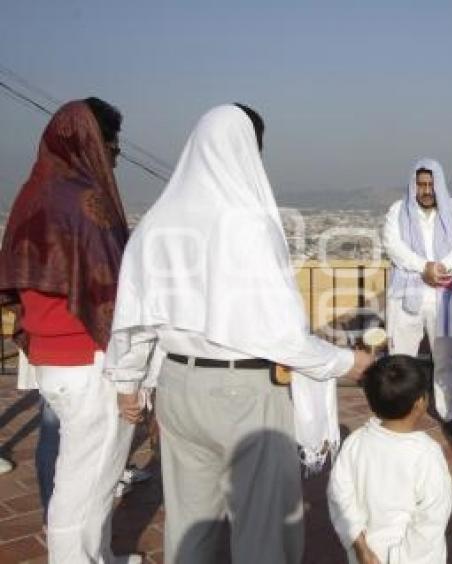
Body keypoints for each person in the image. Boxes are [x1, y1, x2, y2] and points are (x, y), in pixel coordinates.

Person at [105, 104, 372, 564]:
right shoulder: (247, 223)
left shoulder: (157, 221)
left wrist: (128, 383)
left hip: (177, 384)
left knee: (190, 523)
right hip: (243, 390)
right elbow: (281, 335)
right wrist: (349, 362)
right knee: (264, 526)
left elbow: (134, 317)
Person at [0, 98, 141, 563]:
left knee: (88, 476)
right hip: (88, 360)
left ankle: (96, 555)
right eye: (110, 142)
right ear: (91, 142)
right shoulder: (85, 201)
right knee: (84, 484)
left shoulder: (32, 194)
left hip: (49, 357)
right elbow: (111, 290)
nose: (115, 154)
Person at [327, 354, 452, 563]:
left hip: (365, 555)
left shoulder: (355, 443)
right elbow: (432, 519)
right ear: (421, 402)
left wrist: (360, 545)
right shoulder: (427, 453)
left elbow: (339, 496)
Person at [382, 158, 452, 438]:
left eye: (430, 185)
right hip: (405, 297)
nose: (425, 191)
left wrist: (440, 268)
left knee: (445, 358)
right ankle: (399, 410)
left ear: (440, 185)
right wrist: (425, 267)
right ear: (413, 185)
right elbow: (393, 245)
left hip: (443, 297)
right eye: (421, 185)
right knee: (401, 359)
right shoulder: (397, 211)